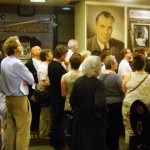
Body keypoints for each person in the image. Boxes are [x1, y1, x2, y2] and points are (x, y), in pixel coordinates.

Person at [0, 36, 34, 150]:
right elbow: (31, 80)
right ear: (15, 49)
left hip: (8, 98)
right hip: (19, 100)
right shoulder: (17, 63)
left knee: (11, 129)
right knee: (23, 131)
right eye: (19, 45)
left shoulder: (4, 61)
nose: (22, 47)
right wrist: (22, 79)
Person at [69, 55, 108, 150]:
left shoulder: (78, 81)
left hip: (79, 121)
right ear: (97, 68)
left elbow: (71, 100)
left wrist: (78, 110)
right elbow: (99, 104)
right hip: (93, 124)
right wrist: (103, 114)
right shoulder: (98, 84)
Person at [122, 53, 150, 148]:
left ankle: (131, 146)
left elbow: (124, 89)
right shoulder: (149, 77)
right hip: (145, 108)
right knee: (145, 129)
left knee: (130, 130)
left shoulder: (128, 76)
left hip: (129, 106)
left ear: (133, 65)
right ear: (145, 64)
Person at [99, 55, 124, 150]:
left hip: (104, 103)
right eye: (116, 62)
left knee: (106, 125)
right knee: (115, 126)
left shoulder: (100, 76)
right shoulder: (115, 76)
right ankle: (114, 145)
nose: (117, 63)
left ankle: (106, 144)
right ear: (112, 64)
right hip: (115, 104)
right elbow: (122, 89)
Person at [48, 44, 69, 149]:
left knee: (55, 120)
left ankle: (53, 141)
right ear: (63, 55)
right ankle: (57, 143)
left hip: (53, 95)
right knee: (58, 121)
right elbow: (68, 78)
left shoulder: (51, 64)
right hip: (59, 97)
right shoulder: (59, 67)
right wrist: (68, 65)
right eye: (65, 55)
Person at [61, 54, 82, 147]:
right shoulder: (84, 75)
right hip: (82, 105)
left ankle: (70, 143)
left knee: (70, 125)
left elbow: (63, 94)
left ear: (70, 63)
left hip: (69, 104)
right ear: (80, 63)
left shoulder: (64, 76)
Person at [37, 49, 53, 139]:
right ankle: (43, 133)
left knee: (47, 114)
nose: (52, 55)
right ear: (47, 57)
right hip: (44, 92)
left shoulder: (46, 65)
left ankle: (46, 131)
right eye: (50, 54)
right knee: (45, 114)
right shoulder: (44, 67)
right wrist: (53, 83)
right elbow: (42, 83)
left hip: (46, 92)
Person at [25, 45, 41, 132]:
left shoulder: (43, 61)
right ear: (34, 52)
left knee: (41, 107)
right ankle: (33, 125)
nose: (41, 50)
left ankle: (39, 125)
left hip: (42, 88)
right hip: (32, 89)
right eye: (39, 49)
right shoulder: (29, 64)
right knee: (33, 106)